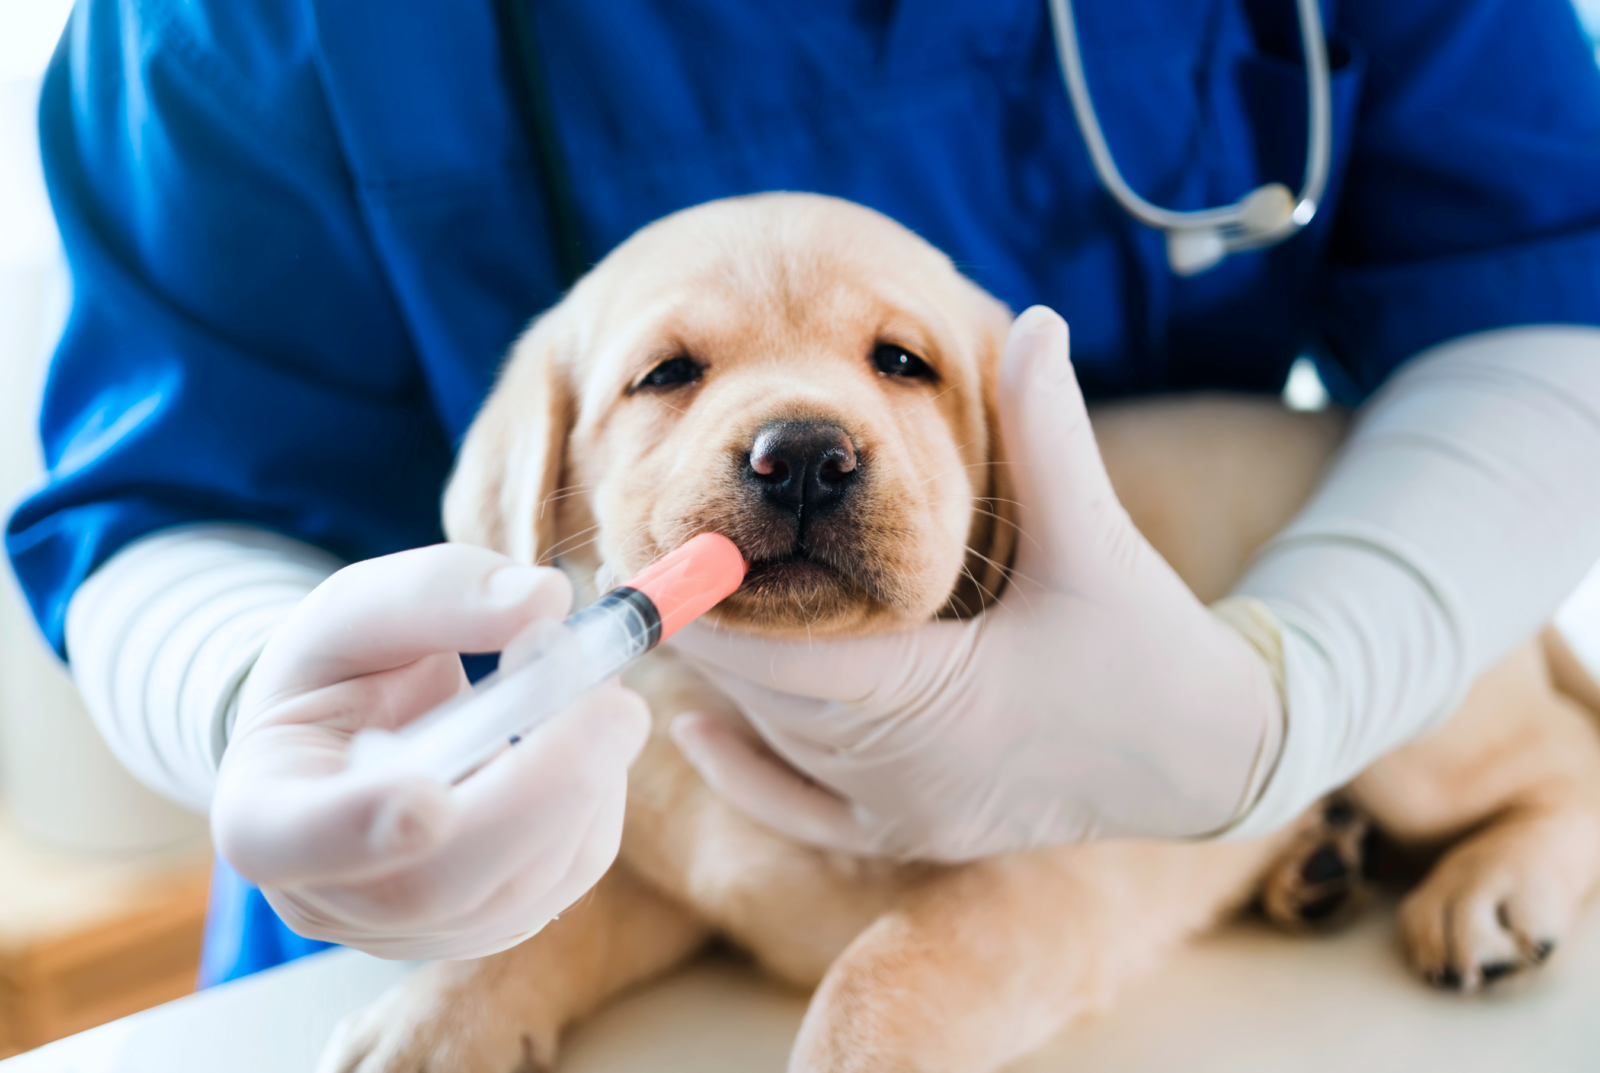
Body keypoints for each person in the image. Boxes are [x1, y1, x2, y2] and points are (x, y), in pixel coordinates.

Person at [8, 0, 1600, 981]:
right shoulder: (213, 28)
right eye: (674, 375)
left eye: (899, 367)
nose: (798, 443)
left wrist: (1289, 689)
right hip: (453, 839)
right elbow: (154, 493)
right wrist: (247, 708)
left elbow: (1544, 285)